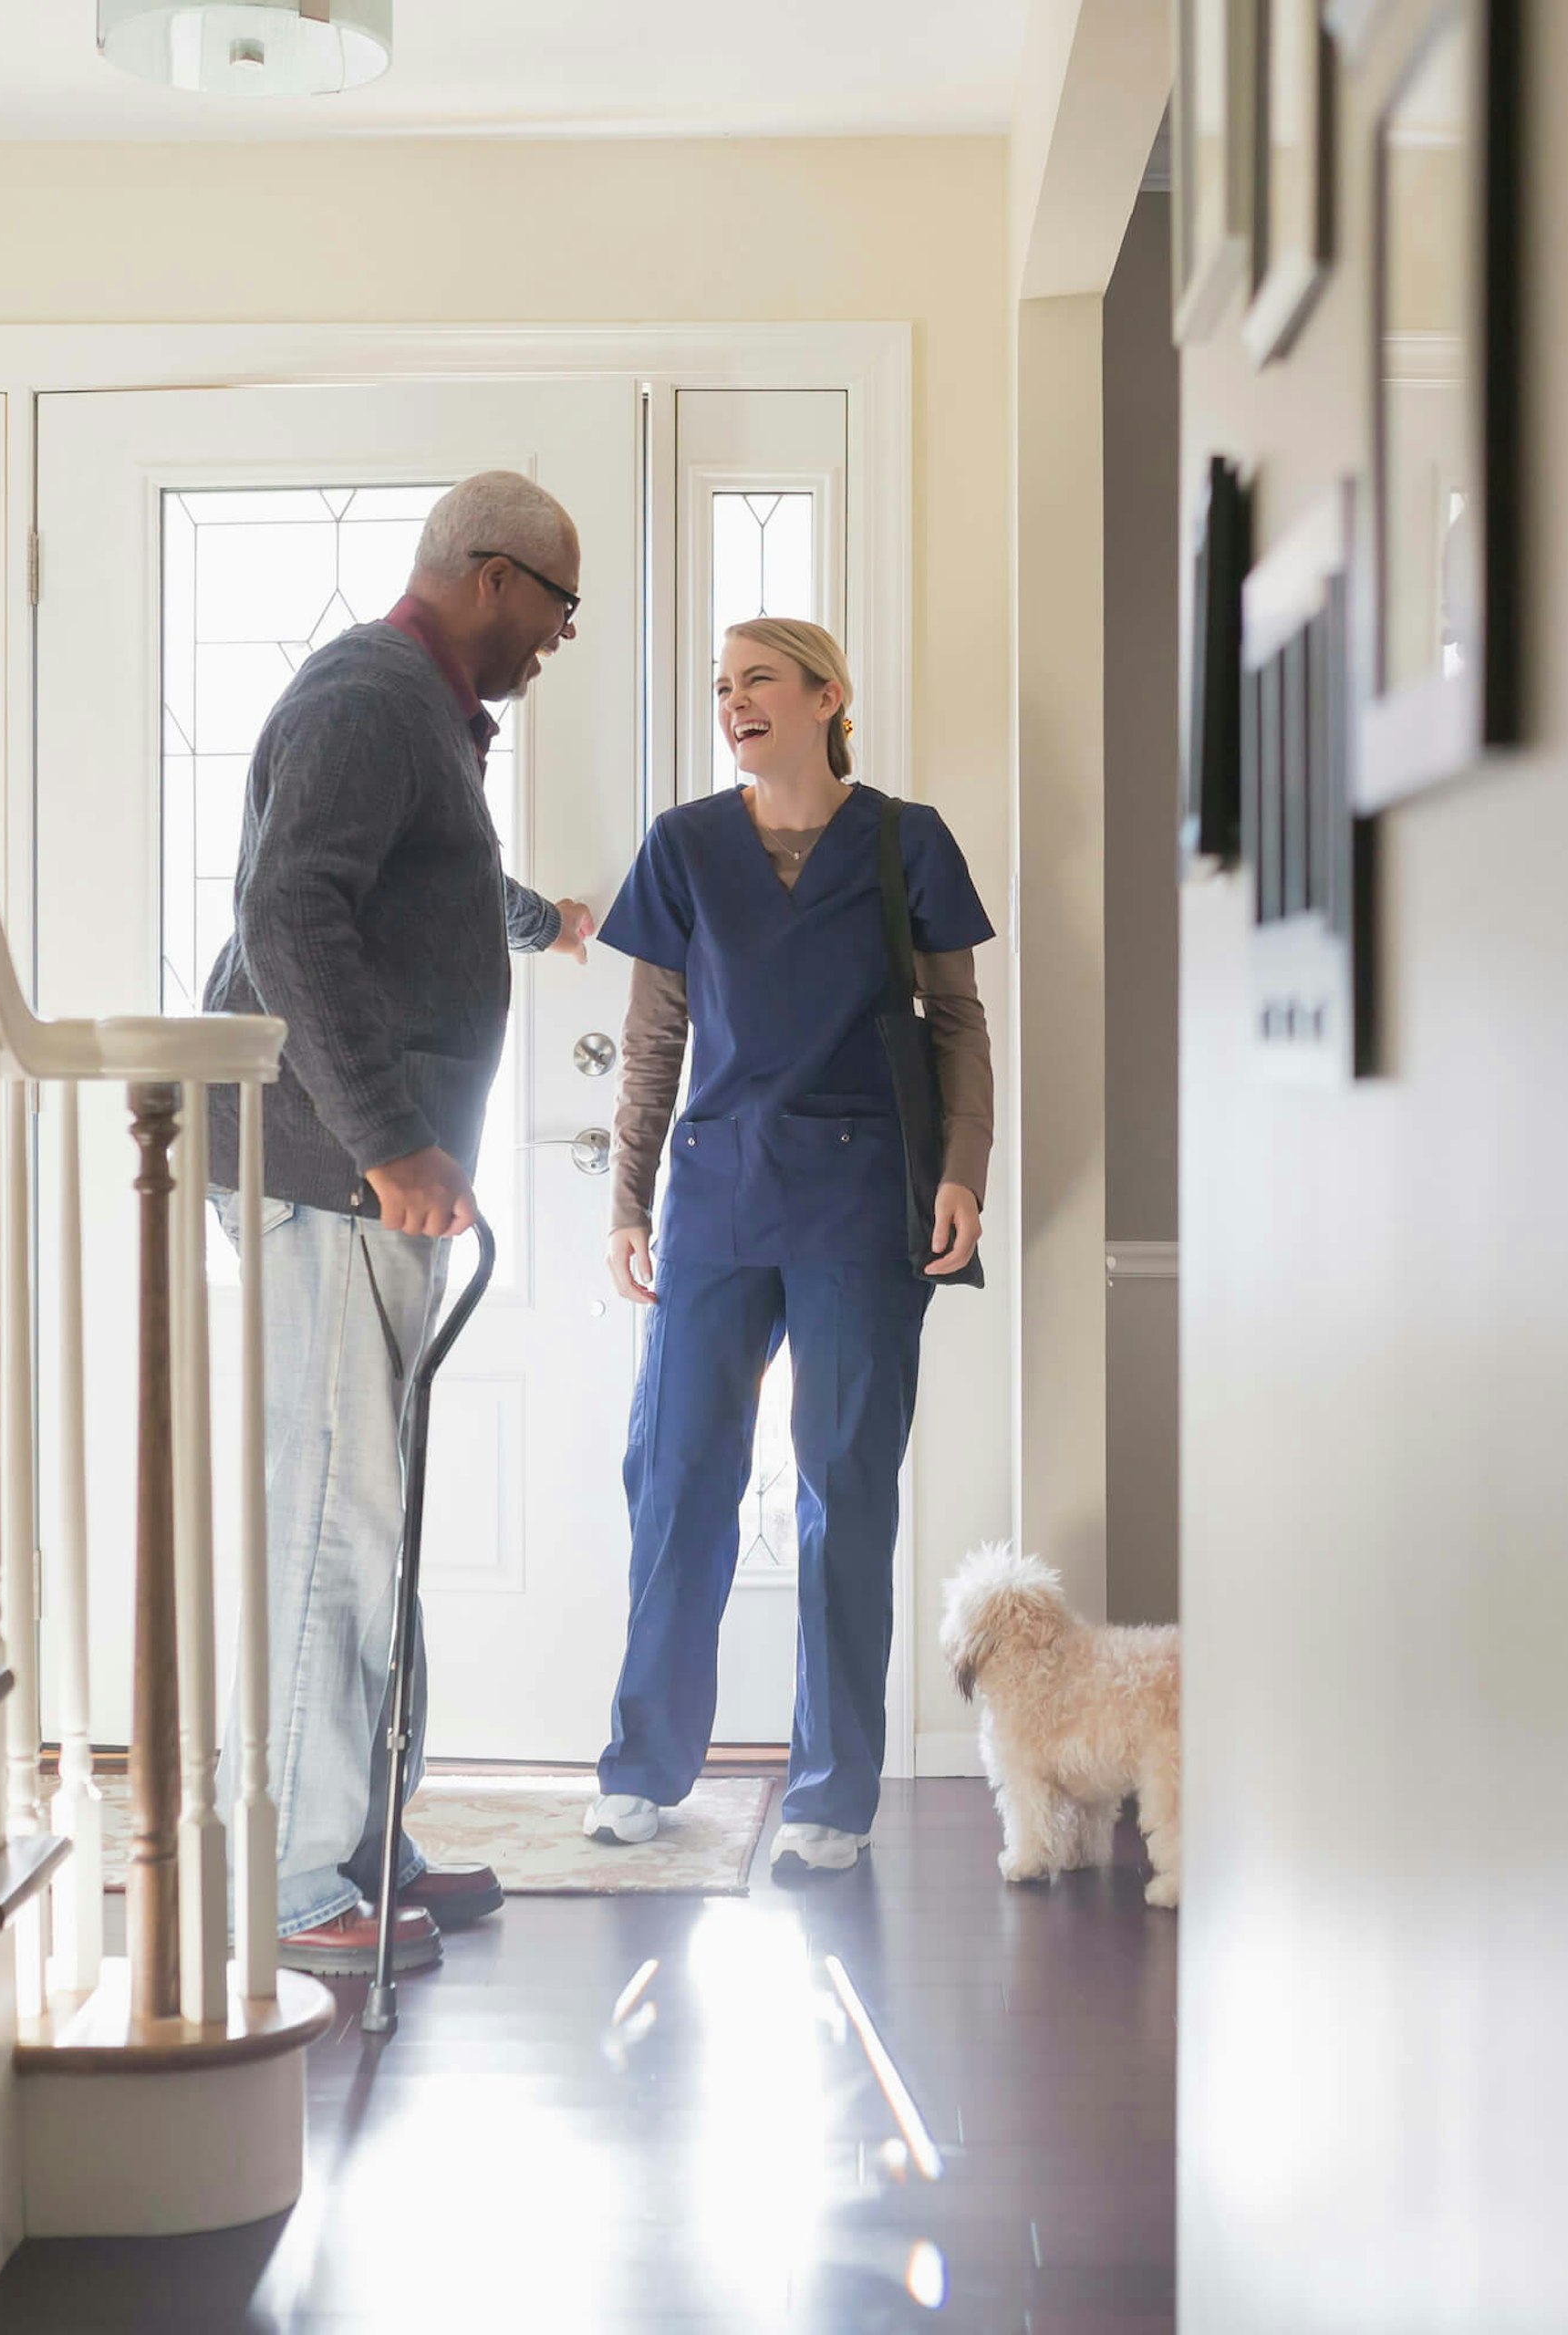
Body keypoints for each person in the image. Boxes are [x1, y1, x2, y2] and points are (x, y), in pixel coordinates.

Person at [202, 471, 597, 1977]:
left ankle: (368, 1837)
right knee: (334, 1521)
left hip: (358, 1171)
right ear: (494, 579)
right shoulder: (370, 698)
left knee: (381, 1519)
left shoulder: (419, 721)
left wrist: (543, 922)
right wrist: (392, 1145)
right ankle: (305, 1886)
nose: (559, 640)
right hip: (331, 1172)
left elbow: (424, 888)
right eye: (557, 608)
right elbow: (288, 914)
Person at [581, 617, 994, 1871]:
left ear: (828, 696)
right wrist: (628, 1199)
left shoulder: (902, 839)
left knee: (843, 1485)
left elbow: (958, 1024)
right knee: (677, 1478)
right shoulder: (685, 847)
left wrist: (965, 1174)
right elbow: (655, 1039)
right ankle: (645, 1767)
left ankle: (830, 1796)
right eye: (720, 685)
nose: (734, 701)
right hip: (715, 1196)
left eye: (757, 678)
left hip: (864, 1201)